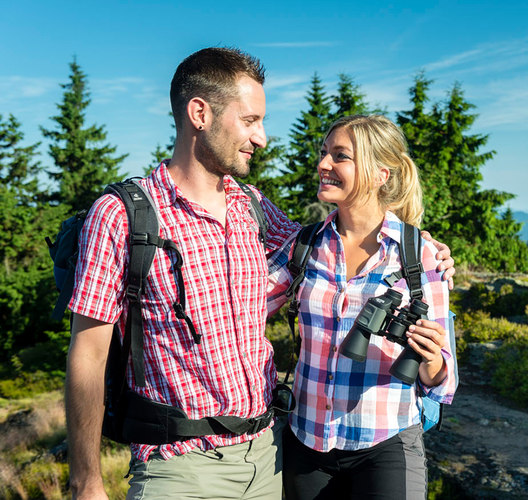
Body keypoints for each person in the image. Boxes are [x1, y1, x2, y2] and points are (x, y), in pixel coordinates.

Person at [64, 49, 455, 500]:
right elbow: (88, 353)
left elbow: (331, 243)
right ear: (199, 114)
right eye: (250, 120)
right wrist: (86, 482)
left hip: (269, 457)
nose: (262, 138)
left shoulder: (254, 209)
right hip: (180, 465)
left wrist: (420, 247)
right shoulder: (123, 215)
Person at [266, 115, 457, 499]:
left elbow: (443, 381)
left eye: (340, 156)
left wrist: (431, 356)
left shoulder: (420, 256)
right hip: (308, 440)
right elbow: (241, 308)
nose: (323, 164)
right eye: (324, 153)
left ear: (380, 174)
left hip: (385, 442)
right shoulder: (304, 246)